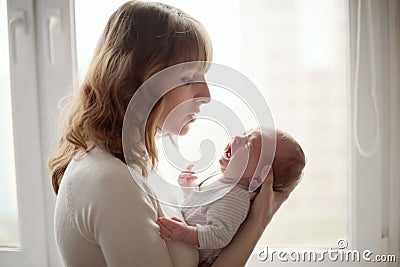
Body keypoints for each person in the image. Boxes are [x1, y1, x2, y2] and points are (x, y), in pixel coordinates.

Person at [49, 1, 291, 266]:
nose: (206, 95)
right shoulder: (112, 181)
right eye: (188, 79)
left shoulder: (138, 165)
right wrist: (258, 222)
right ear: (136, 82)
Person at [157, 128, 306, 265]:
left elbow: (218, 235)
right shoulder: (220, 180)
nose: (237, 138)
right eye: (244, 133)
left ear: (258, 178)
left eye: (248, 144)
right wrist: (189, 189)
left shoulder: (235, 198)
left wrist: (185, 234)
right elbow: (202, 209)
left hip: (191, 257)